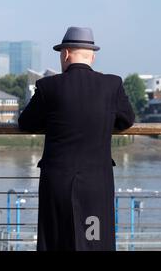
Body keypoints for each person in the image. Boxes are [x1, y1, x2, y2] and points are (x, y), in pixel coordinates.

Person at [18, 26, 135, 251]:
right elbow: (126, 120)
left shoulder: (48, 86)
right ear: (92, 56)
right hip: (95, 184)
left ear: (65, 54)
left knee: (56, 240)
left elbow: (26, 122)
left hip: (57, 183)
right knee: (94, 238)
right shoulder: (112, 85)